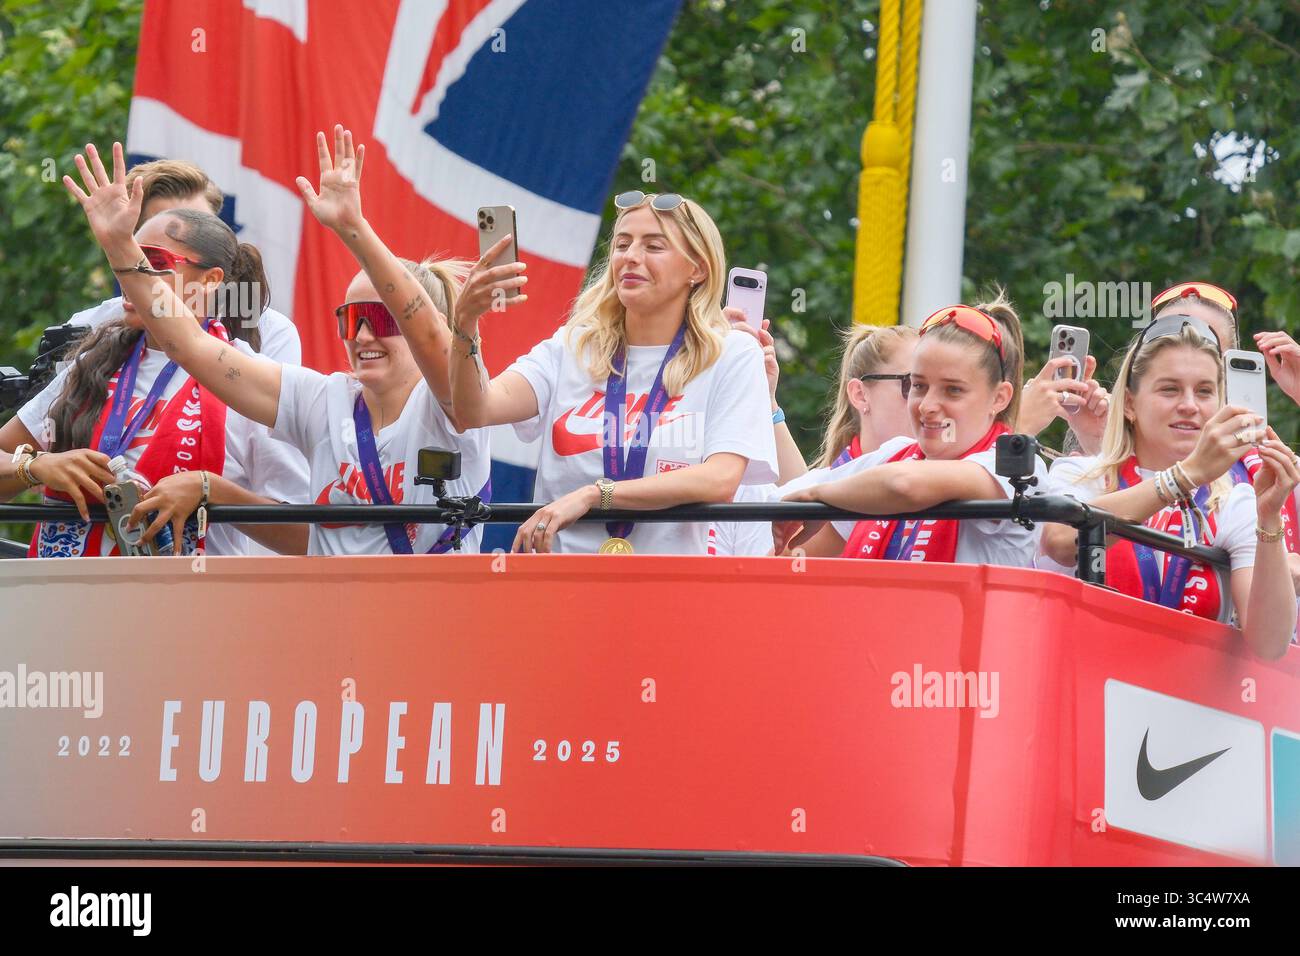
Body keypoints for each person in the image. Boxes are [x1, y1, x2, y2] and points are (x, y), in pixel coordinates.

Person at [57, 132, 488, 556]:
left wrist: (352, 226)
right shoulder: (323, 401)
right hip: (339, 618)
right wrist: (119, 246)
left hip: (427, 618)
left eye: (380, 318)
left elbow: (432, 337)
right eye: (351, 319)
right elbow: (187, 341)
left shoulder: (454, 405)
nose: (361, 336)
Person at [448, 189, 778, 554]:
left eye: (654, 247)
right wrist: (465, 323)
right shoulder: (571, 347)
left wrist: (595, 495)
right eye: (622, 245)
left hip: (667, 593)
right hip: (564, 588)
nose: (631, 257)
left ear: (697, 268)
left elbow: (719, 479)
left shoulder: (731, 352)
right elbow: (474, 410)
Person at [1, 197, 308, 557]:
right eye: (125, 260)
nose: (131, 278)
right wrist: (35, 466)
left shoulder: (249, 376)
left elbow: (304, 536)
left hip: (191, 607)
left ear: (210, 281)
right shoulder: (91, 361)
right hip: (69, 602)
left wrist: (212, 490)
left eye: (152, 263)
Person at [1038, 313, 1297, 660]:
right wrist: (1184, 477)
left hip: (1181, 706)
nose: (1189, 405)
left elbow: (1269, 644)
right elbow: (1061, 541)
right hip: (1083, 694)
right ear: (1129, 403)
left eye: (1204, 391)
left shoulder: (1233, 500)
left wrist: (1269, 520)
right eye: (1170, 389)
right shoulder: (1081, 474)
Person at [772, 296, 1046, 568]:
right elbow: (790, 557)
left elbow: (905, 486)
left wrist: (817, 496)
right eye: (918, 386)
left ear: (1000, 397)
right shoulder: (894, 454)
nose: (927, 406)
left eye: (953, 390)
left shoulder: (1012, 465)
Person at [66, 158, 301, 365]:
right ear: (134, 240)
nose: (190, 235)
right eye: (165, 231)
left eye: (201, 224)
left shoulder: (269, 331)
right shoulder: (90, 328)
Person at [711, 323, 919, 557]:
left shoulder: (949, 472)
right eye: (912, 384)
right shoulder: (809, 488)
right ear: (860, 395)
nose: (925, 402)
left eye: (947, 388)